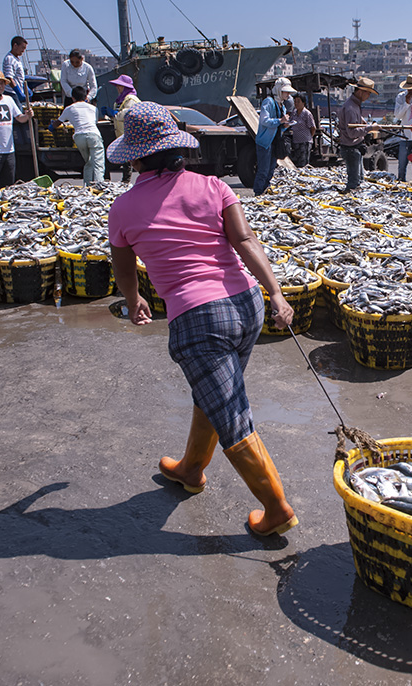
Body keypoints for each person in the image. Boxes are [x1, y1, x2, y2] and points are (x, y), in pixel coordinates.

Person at [107, 102, 298, 538]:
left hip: (198, 319)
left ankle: (276, 508)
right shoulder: (213, 187)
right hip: (245, 304)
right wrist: (275, 292)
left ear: (135, 157)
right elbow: (245, 240)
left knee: (230, 412)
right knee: (215, 392)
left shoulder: (124, 208)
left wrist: (135, 298)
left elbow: (123, 267)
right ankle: (191, 468)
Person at [253, 77, 297, 194]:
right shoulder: (268, 102)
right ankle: (258, 193)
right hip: (265, 142)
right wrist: (280, 121)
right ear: (279, 91)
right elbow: (264, 120)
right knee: (263, 170)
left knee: (271, 169)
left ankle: (265, 191)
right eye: (286, 92)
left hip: (275, 142)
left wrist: (285, 125)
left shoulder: (281, 105)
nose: (288, 95)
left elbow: (279, 125)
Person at [337, 77, 379, 192]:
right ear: (361, 92)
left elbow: (354, 123)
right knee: (354, 183)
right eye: (368, 93)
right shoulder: (351, 108)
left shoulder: (354, 105)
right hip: (351, 149)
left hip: (356, 147)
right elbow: (352, 133)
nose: (368, 96)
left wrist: (362, 122)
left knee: (360, 180)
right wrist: (370, 128)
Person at [55, 86, 104, 184]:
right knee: (98, 163)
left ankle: (87, 185)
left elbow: (57, 123)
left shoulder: (69, 108)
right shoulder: (94, 108)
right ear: (86, 97)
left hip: (79, 136)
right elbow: (94, 122)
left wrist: (51, 127)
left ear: (72, 98)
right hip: (93, 134)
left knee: (88, 162)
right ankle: (99, 185)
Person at [109, 74, 141, 182]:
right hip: (122, 134)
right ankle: (125, 181)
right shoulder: (119, 100)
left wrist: (115, 114)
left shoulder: (131, 99)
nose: (118, 88)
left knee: (131, 160)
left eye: (120, 86)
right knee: (126, 160)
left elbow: (128, 112)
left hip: (130, 134)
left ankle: (127, 181)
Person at [289, 93, 316, 168]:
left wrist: (309, 137)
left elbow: (313, 128)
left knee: (303, 163)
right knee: (297, 162)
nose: (296, 103)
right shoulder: (294, 113)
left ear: (303, 102)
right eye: (295, 101)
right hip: (296, 141)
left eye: (298, 101)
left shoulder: (307, 113)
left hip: (305, 142)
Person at [2, 36, 28, 105]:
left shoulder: (17, 59)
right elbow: (9, 77)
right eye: (22, 48)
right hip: (11, 92)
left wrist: (25, 88)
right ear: (15, 45)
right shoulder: (9, 59)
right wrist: (17, 91)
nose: (23, 51)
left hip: (17, 92)